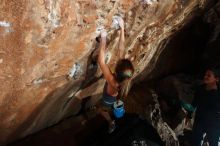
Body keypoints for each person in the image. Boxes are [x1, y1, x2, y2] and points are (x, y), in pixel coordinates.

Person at [97, 17, 134, 133]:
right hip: (114, 97)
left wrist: (103, 38)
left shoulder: (112, 81)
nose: (119, 60)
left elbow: (101, 62)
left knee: (101, 109)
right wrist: (122, 28)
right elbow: (121, 49)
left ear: (117, 72)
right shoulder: (126, 77)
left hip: (108, 100)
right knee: (108, 107)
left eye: (119, 63)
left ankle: (110, 122)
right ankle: (113, 114)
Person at [189, 68, 220, 146]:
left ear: (216, 79)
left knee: (213, 143)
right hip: (200, 120)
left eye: (208, 75)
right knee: (195, 143)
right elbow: (194, 102)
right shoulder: (200, 89)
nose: (205, 76)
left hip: (214, 124)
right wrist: (189, 115)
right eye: (205, 75)